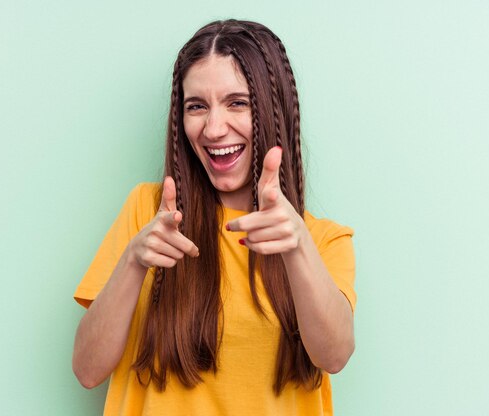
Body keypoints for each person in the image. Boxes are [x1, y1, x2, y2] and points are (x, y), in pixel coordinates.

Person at [72, 19, 356, 415]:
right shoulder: (149, 212)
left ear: (274, 111)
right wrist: (134, 260)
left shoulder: (324, 240)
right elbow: (87, 370)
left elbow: (335, 355)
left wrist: (297, 248)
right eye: (196, 106)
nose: (214, 127)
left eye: (237, 103)